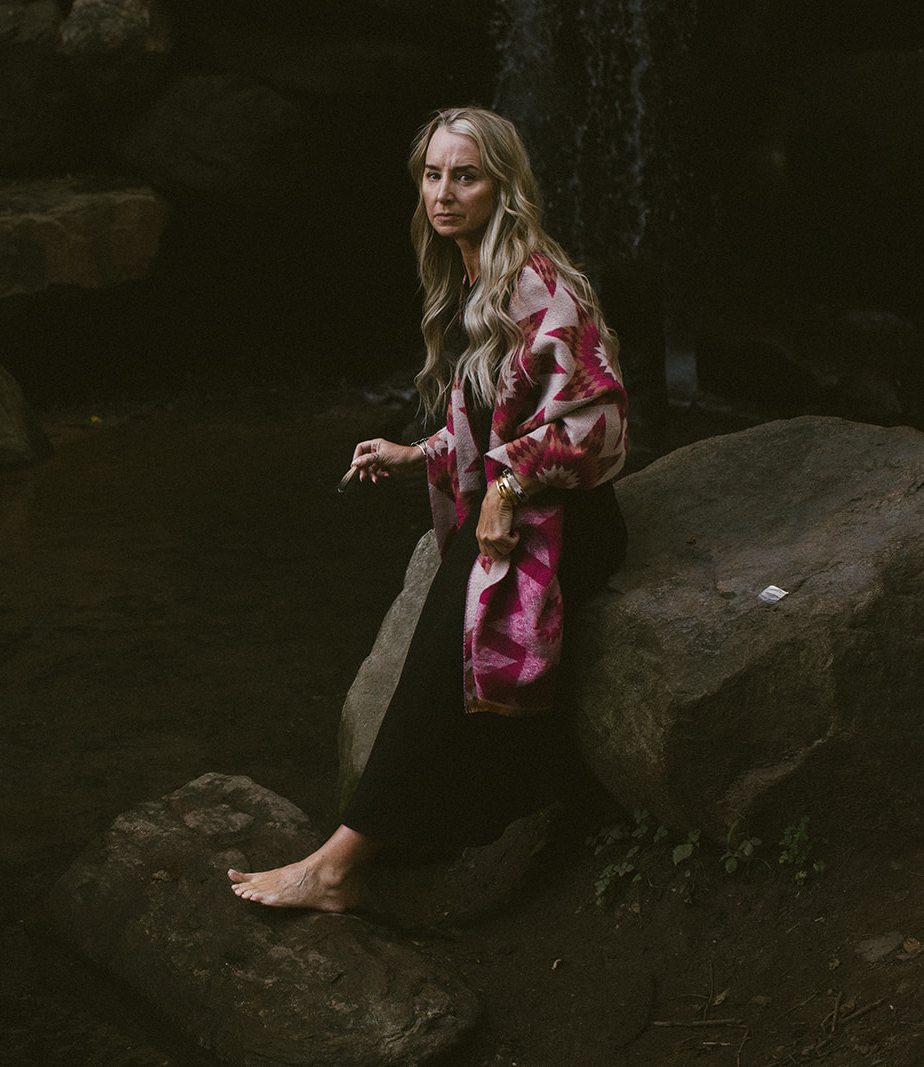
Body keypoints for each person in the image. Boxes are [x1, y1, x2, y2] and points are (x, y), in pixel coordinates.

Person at [229, 106, 629, 911]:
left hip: (573, 518)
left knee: (458, 617)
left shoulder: (536, 285)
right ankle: (396, 841)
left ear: (503, 187)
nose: (443, 192)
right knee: (451, 622)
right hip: (525, 504)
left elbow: (598, 423)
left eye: (466, 175)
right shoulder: (470, 274)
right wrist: (421, 454)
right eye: (433, 174)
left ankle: (338, 864)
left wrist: (509, 488)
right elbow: (491, 417)